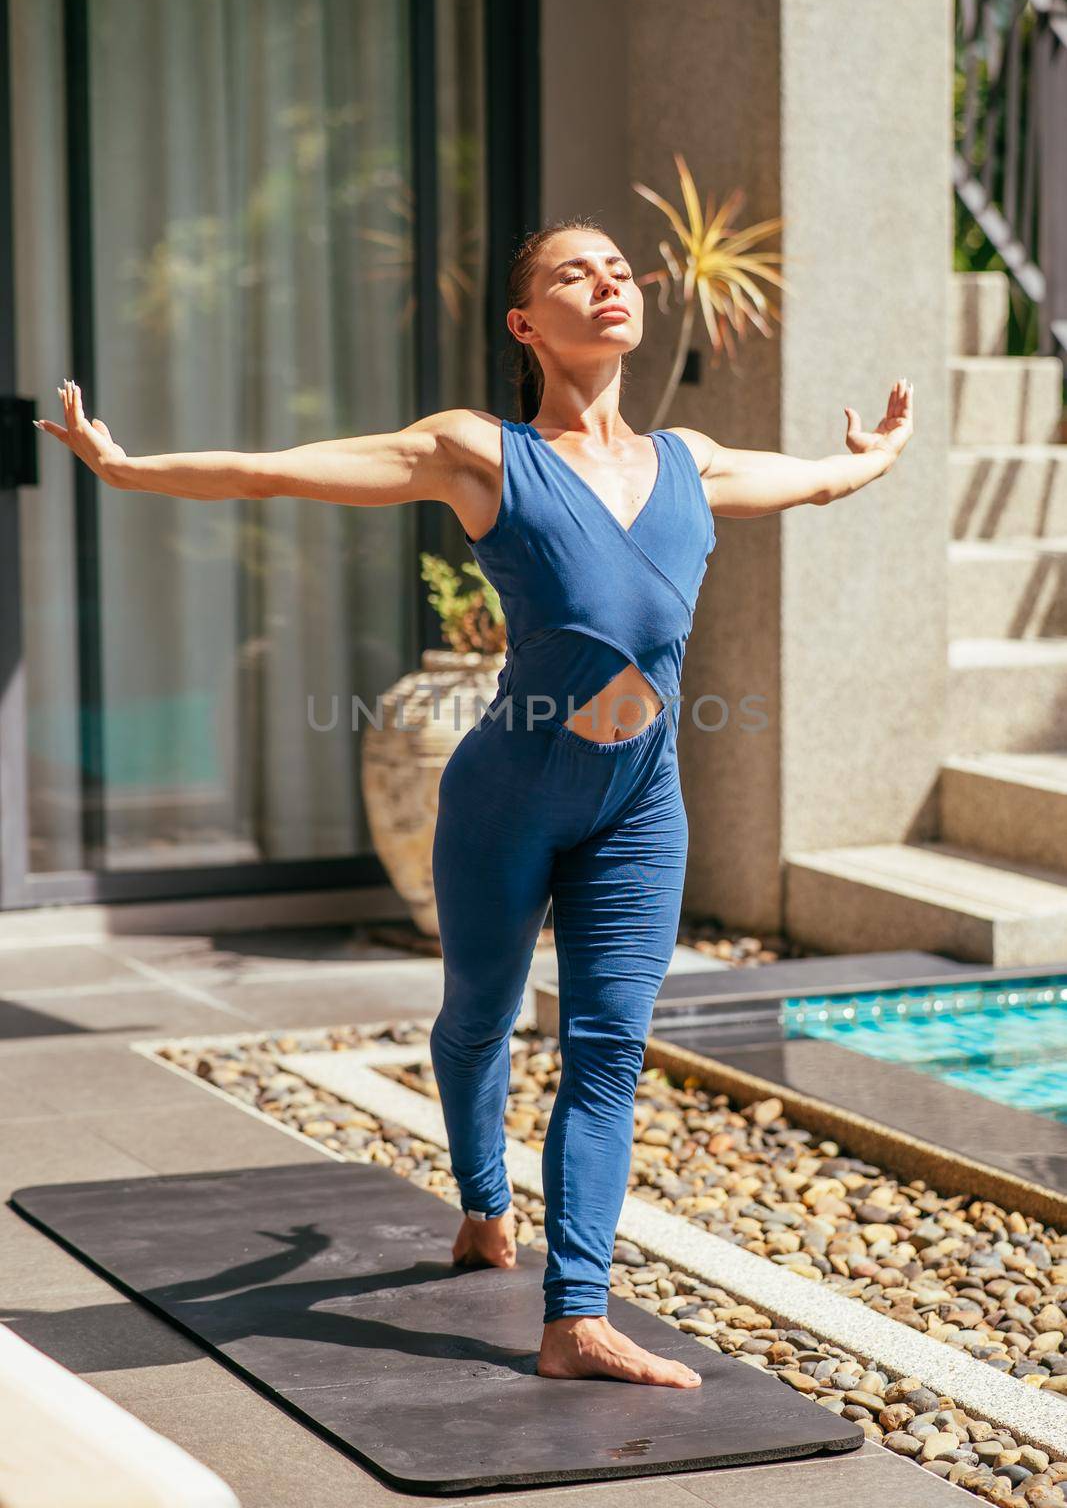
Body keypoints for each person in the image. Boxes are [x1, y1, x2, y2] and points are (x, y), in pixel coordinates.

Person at [38, 219, 913, 1389]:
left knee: (608, 1047)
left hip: (640, 798)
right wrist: (132, 467)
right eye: (573, 273)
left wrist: (875, 457)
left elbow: (810, 481)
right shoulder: (480, 453)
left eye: (617, 270)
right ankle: (483, 1203)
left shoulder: (689, 461)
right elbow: (286, 468)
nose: (607, 283)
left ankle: (577, 1316)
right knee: (476, 1019)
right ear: (524, 324)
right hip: (508, 793)